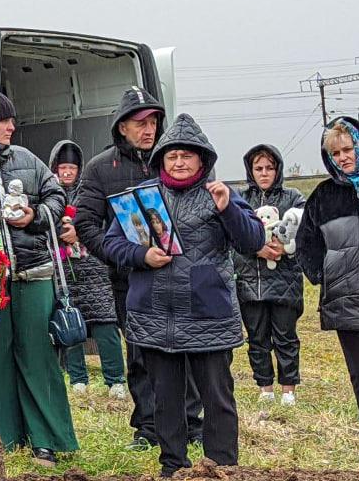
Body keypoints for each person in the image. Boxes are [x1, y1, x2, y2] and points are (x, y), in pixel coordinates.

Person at [102, 113, 263, 478]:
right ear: (161, 159)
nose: (178, 162)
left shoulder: (219, 194)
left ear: (202, 159)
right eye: (171, 156)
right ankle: (173, 466)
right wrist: (141, 255)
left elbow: (253, 241)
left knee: (217, 398)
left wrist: (227, 210)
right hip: (155, 313)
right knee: (165, 400)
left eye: (186, 156)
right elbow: (111, 243)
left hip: (208, 313)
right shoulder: (143, 199)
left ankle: (222, 466)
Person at [74, 86, 203, 449]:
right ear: (121, 127)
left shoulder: (173, 160)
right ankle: (148, 428)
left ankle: (191, 425)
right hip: (130, 280)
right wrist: (125, 256)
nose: (148, 129)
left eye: (153, 121)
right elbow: (86, 225)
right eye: (139, 122)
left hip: (181, 276)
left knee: (186, 349)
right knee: (142, 354)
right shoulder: (100, 169)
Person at [0, 90, 78, 467]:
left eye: (11, 119)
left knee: (38, 356)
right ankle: (4, 438)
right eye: (3, 119)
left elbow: (57, 198)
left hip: (34, 274)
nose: (11, 126)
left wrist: (36, 217)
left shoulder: (28, 160)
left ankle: (47, 439)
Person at [296, 117, 359, 459]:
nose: (343, 157)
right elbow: (305, 245)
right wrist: (326, 277)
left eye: (348, 149)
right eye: (336, 153)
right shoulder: (323, 197)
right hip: (346, 305)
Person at [50, 139, 126, 399]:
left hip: (94, 266)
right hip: (63, 269)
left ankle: (115, 379)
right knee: (70, 322)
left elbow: (105, 225)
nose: (67, 172)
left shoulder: (90, 190)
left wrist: (80, 236)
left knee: (105, 323)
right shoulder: (50, 193)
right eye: (63, 168)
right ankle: (78, 378)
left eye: (72, 167)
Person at [234, 144, 306, 405]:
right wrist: (257, 249)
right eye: (258, 168)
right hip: (250, 281)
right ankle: (265, 387)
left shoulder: (293, 197)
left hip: (285, 281)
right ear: (251, 171)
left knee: (286, 336)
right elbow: (233, 236)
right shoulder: (240, 199)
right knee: (257, 338)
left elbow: (305, 232)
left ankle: (288, 388)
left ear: (278, 169)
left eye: (269, 168)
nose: (264, 173)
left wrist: (284, 250)